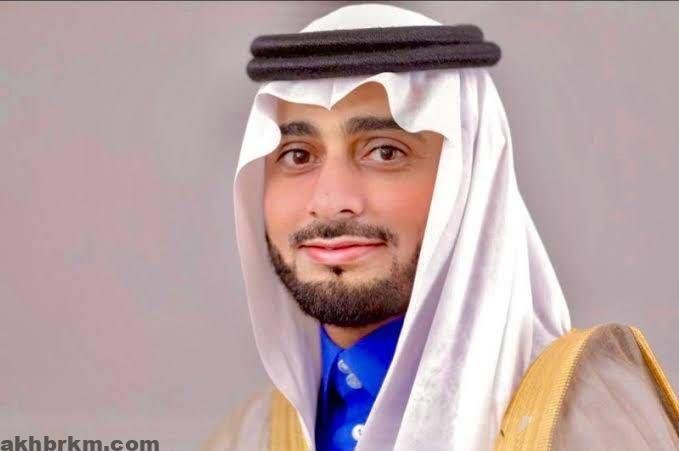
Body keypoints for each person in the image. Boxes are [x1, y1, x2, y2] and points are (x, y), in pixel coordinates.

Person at [205, 4, 679, 451]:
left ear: (469, 181)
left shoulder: (583, 415)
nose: (330, 202)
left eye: (385, 152)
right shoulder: (254, 435)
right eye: (297, 156)